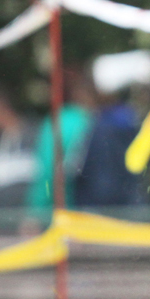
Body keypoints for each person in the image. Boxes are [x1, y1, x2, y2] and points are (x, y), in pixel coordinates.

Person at [73, 50, 150, 206]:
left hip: (105, 216)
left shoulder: (104, 127)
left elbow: (103, 186)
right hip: (128, 210)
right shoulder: (129, 124)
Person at [26, 67, 94, 216]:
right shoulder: (95, 119)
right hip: (96, 213)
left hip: (61, 214)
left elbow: (47, 171)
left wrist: (36, 212)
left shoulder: (59, 121)